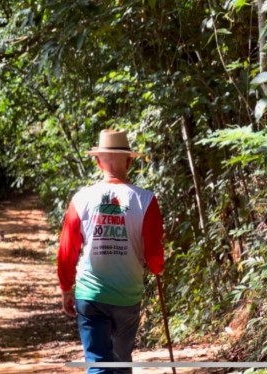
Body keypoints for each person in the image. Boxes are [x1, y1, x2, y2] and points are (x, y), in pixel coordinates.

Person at [57, 129, 165, 374]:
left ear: (98, 161)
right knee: (121, 361)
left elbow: (67, 250)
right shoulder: (145, 200)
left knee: (98, 362)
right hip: (127, 296)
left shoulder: (82, 199)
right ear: (129, 161)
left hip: (90, 295)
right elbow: (154, 251)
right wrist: (158, 268)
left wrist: (66, 288)